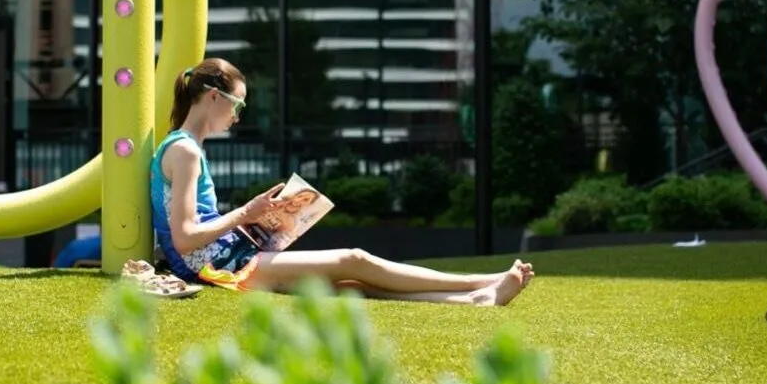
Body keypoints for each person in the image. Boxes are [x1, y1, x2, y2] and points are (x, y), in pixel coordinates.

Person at [148, 58, 534, 306]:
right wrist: (247, 213)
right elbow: (184, 237)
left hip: (223, 256)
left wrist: (256, 219)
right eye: (239, 106)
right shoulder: (184, 151)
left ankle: (476, 299)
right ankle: (480, 280)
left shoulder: (184, 147)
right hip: (216, 265)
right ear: (214, 97)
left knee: (350, 284)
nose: (237, 117)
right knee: (354, 259)